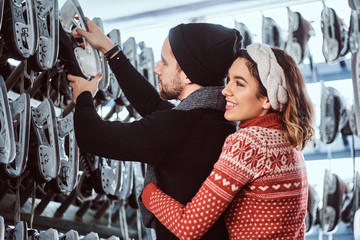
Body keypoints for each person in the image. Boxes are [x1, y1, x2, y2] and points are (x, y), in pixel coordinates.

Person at [68, 18, 242, 239]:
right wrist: (108, 49)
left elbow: (92, 136)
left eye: (165, 63)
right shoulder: (215, 120)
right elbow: (150, 104)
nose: (157, 69)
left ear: (188, 75)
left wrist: (83, 96)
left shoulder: (179, 126)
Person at [141, 43, 315, 240]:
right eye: (228, 80)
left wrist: (149, 192)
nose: (225, 91)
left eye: (239, 84)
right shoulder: (288, 141)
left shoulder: (249, 142)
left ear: (267, 98)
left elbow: (188, 227)